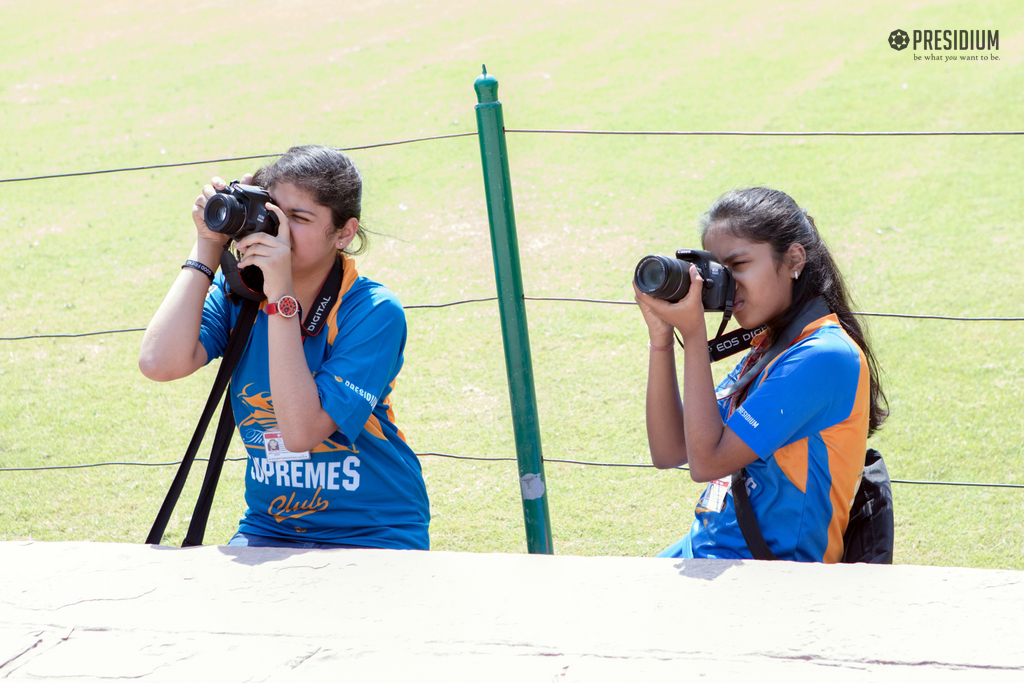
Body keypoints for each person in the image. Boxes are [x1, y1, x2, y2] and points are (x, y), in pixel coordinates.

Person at [139, 145, 429, 550]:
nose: (282, 230)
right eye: (275, 212)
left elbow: (300, 433)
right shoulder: (239, 295)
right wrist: (208, 245)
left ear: (344, 233)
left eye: (300, 218)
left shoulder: (373, 311)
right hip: (269, 529)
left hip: (375, 530)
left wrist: (280, 298)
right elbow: (158, 362)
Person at [634, 187, 887, 562]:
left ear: (794, 260)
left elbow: (706, 463)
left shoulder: (825, 357)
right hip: (707, 553)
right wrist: (662, 340)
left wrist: (692, 334)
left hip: (773, 574)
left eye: (738, 266)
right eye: (718, 271)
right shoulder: (770, 347)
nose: (725, 286)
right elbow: (669, 451)